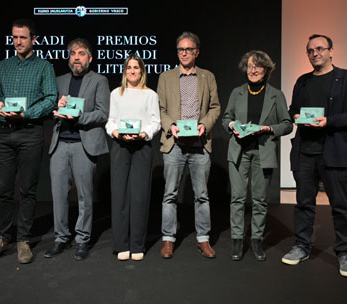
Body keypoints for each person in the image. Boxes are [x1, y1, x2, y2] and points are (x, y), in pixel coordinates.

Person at [281, 34, 347, 278]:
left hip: (335, 153)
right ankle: (301, 246)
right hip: (305, 152)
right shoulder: (303, 81)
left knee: (340, 205)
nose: (315, 53)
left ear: (330, 51)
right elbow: (293, 109)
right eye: (310, 50)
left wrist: (329, 121)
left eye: (319, 48)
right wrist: (295, 116)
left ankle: (346, 253)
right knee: (303, 204)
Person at [0, 19, 57, 264]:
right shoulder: (3, 65)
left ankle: (23, 239)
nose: (18, 42)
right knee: (3, 190)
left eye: (23, 37)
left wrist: (27, 114)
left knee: (27, 189)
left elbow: (51, 98)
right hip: (4, 133)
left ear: (33, 39)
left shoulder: (44, 66)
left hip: (30, 132)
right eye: (14, 37)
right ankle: (4, 237)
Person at [221, 50, 292, 261]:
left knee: (260, 200)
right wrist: (232, 125)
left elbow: (287, 125)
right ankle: (237, 241)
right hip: (239, 151)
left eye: (258, 67)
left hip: (263, 151)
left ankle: (257, 241)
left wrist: (268, 129)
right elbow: (226, 118)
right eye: (250, 66)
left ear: (266, 70)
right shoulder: (237, 92)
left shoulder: (276, 95)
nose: (253, 70)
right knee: (237, 198)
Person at [44, 38, 110, 261]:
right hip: (60, 142)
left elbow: (103, 113)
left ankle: (82, 239)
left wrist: (79, 116)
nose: (77, 57)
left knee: (84, 196)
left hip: (85, 144)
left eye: (81, 53)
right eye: (73, 53)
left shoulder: (99, 80)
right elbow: (51, 107)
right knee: (59, 195)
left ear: (89, 58)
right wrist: (57, 108)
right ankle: (61, 238)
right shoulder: (59, 80)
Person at [157, 31, 221, 259]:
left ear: (197, 52)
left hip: (199, 143)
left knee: (202, 194)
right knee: (169, 194)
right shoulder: (165, 77)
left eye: (188, 49)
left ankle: (203, 239)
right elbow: (161, 109)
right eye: (180, 50)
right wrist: (171, 125)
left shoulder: (207, 77)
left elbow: (215, 107)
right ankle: (168, 239)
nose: (184, 53)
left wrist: (204, 124)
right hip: (174, 144)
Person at [106, 55, 161, 261]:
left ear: (142, 71)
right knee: (119, 195)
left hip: (142, 147)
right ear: (124, 71)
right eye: (129, 67)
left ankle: (137, 244)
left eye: (136, 67)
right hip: (120, 146)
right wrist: (118, 133)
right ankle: (121, 244)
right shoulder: (115, 94)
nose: (132, 71)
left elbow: (156, 122)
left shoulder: (150, 95)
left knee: (139, 196)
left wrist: (143, 134)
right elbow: (110, 121)